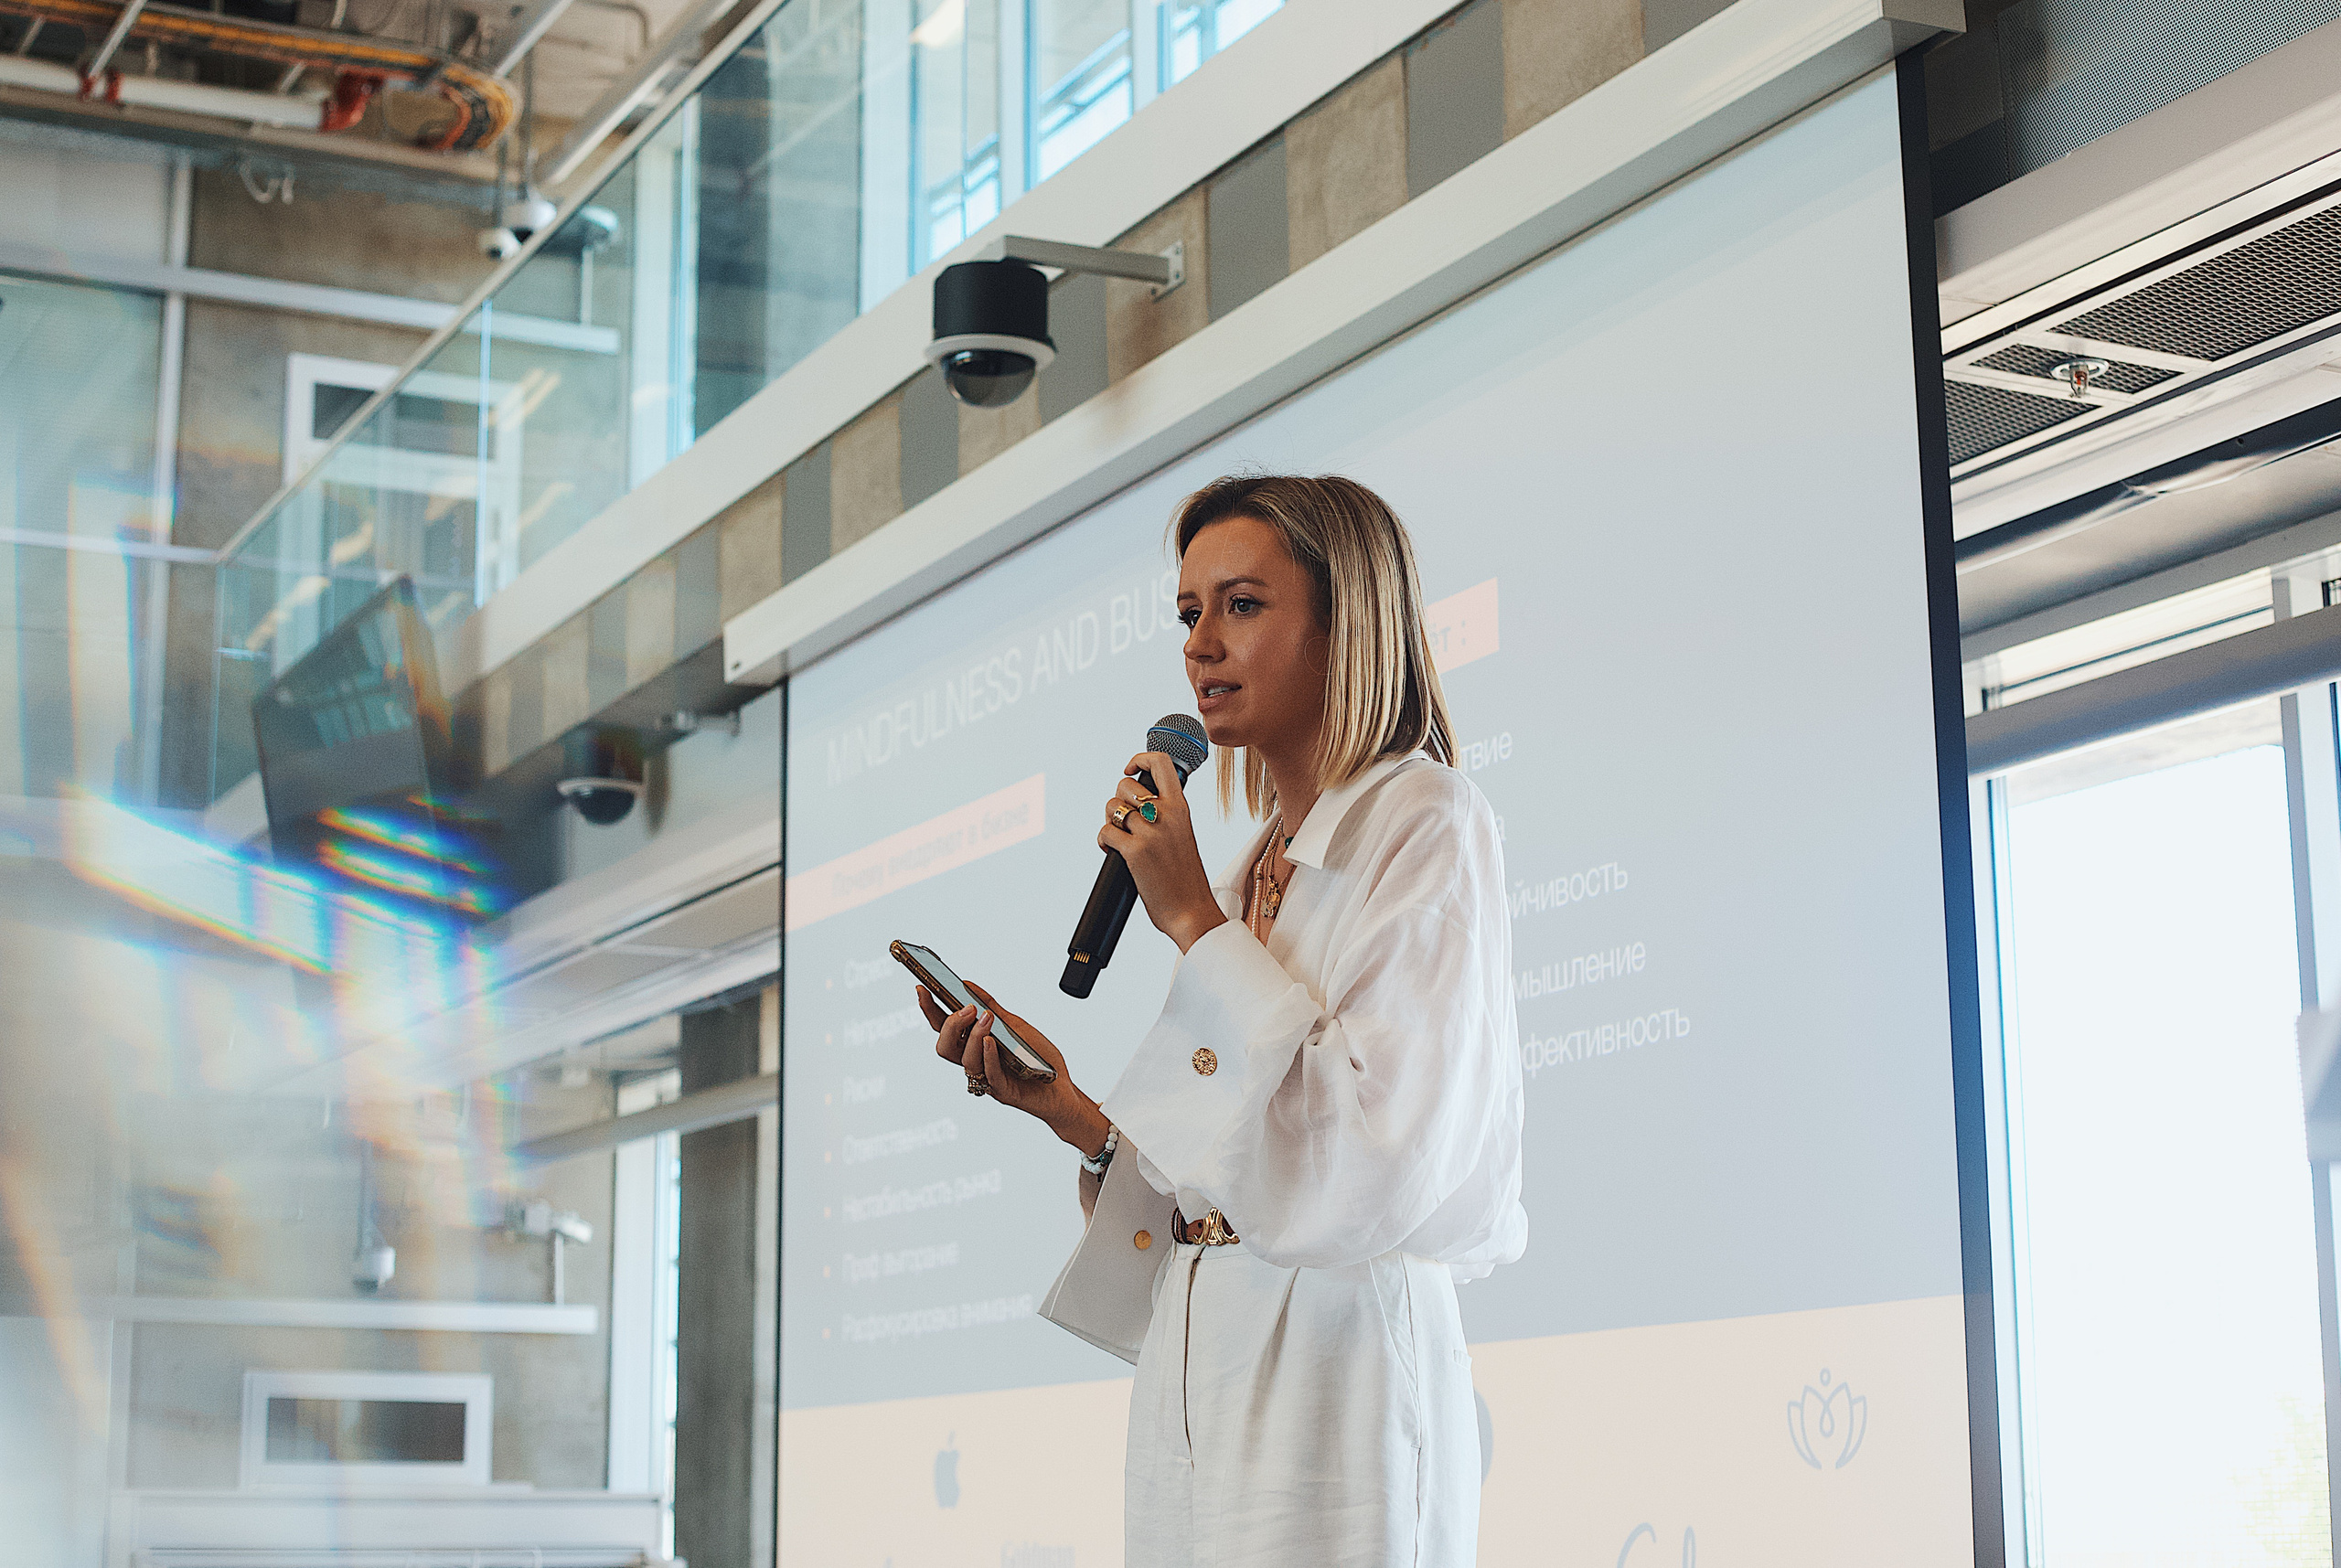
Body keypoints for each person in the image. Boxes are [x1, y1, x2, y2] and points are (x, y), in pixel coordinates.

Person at [918, 473, 1525, 1566]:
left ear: (1350, 620)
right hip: (1199, 1369)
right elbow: (1226, 1171)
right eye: (1189, 613)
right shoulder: (1256, 866)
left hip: (1334, 1370)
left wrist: (1192, 915)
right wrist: (1074, 1114)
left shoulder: (1424, 820)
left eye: (1241, 605)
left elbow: (1375, 1154)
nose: (1201, 644)